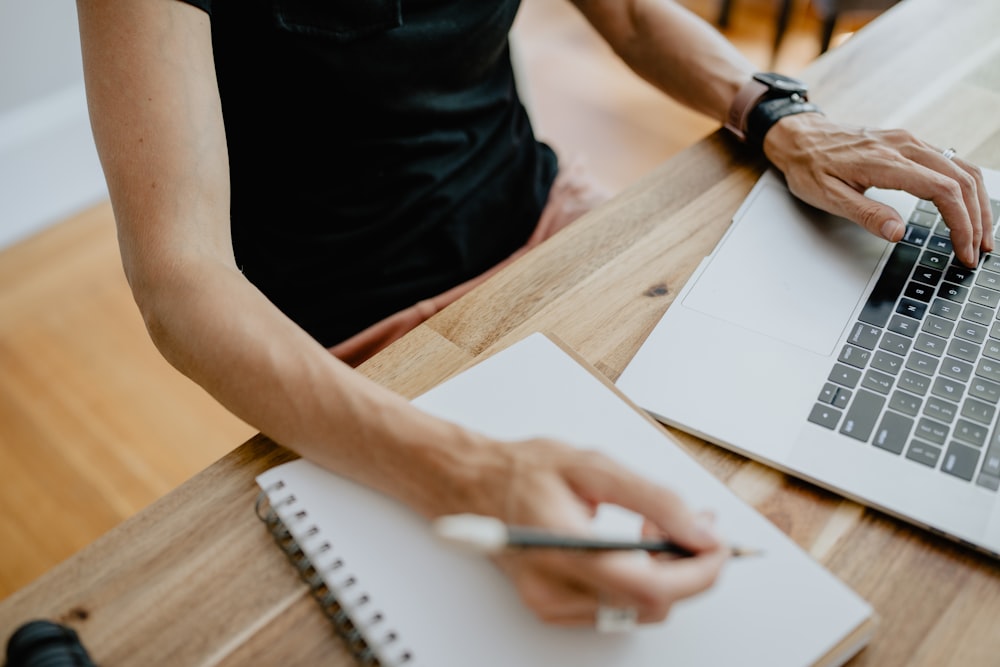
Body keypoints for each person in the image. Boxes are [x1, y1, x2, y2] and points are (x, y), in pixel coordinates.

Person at [75, 0, 992, 631]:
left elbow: (630, 12)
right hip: (362, 342)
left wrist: (776, 113)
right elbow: (180, 279)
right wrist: (464, 469)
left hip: (556, 225)